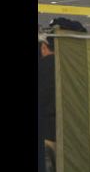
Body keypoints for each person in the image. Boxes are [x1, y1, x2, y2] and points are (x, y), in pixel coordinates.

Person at [38, 33, 56, 172]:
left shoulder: (41, 66)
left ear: (44, 47)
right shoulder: (67, 67)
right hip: (61, 133)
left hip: (43, 131)